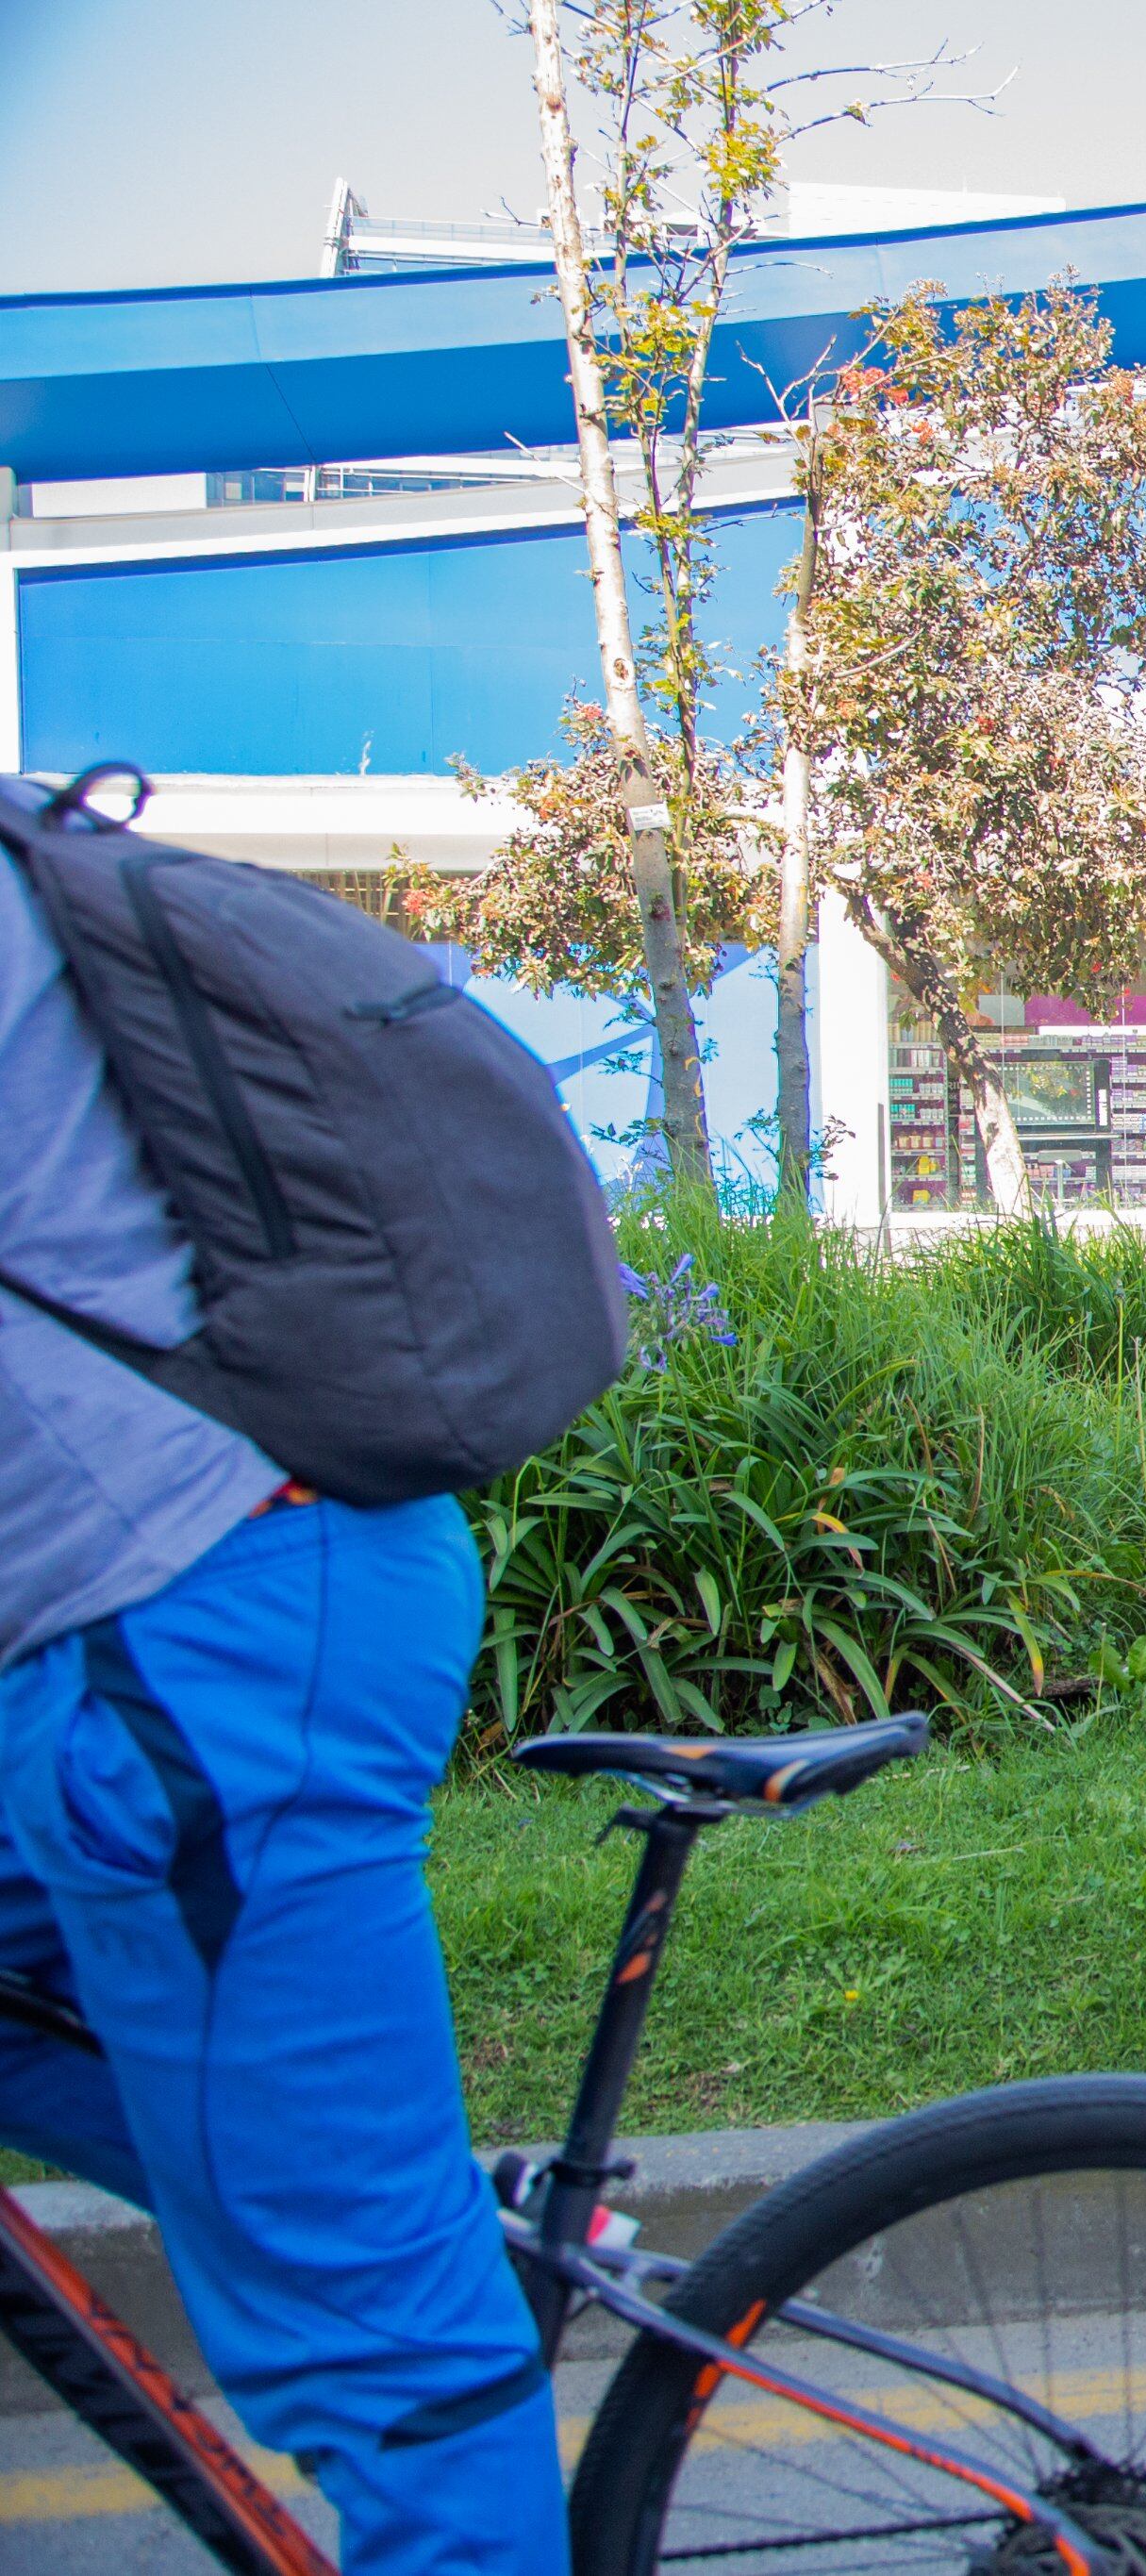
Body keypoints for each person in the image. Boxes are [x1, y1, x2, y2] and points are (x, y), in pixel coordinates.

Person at [0, 840, 567, 2570]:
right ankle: (374, 2192)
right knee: (338, 2216)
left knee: (377, 2344)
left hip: (196, 1647)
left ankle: (378, 2224)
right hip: (215, 1604)